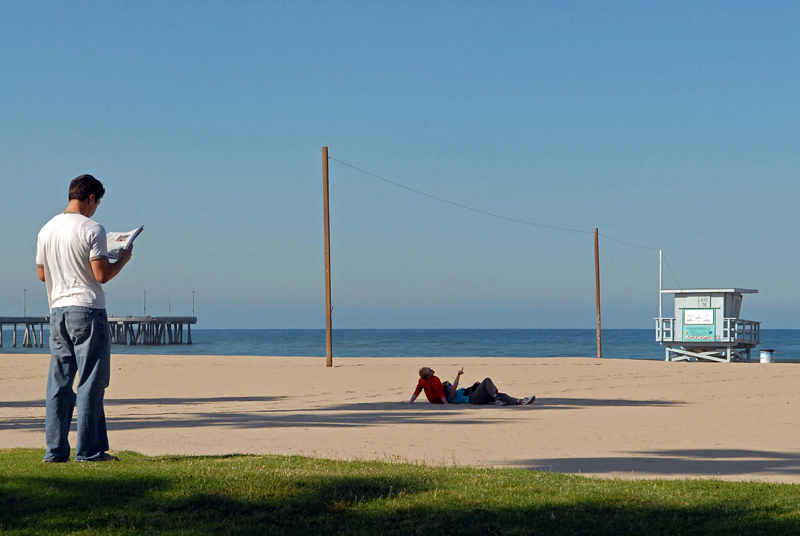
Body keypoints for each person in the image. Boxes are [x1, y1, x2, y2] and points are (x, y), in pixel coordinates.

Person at [36, 175, 133, 462]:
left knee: (60, 382)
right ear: (91, 198)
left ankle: (55, 451)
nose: (96, 208)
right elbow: (101, 275)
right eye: (97, 202)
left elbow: (42, 274)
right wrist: (122, 260)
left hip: (58, 310)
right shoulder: (92, 228)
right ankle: (89, 451)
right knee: (91, 381)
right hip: (87, 309)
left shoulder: (47, 229)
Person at [408, 367, 535, 406]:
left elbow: (417, 390)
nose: (451, 385)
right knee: (487, 380)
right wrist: (458, 375)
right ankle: (496, 398)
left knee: (503, 395)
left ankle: (520, 401)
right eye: (448, 385)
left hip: (475, 396)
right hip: (474, 399)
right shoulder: (450, 395)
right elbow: (451, 390)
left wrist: (474, 386)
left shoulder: (453, 392)